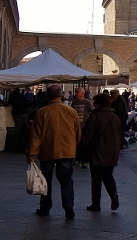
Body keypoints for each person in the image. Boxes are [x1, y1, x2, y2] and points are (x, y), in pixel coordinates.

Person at [26, 85, 82, 220]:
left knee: (46, 180)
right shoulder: (71, 111)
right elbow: (78, 133)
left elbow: (36, 135)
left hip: (47, 151)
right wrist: (73, 146)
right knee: (66, 179)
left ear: (48, 96)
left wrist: (31, 153)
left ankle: (45, 207)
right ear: (61, 95)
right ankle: (68, 204)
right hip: (67, 151)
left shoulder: (42, 112)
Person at [78, 93, 121, 212]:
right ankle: (114, 195)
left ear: (99, 103)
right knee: (108, 176)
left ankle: (96, 204)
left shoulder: (95, 117)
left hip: (97, 151)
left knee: (96, 179)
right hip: (112, 152)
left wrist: (81, 149)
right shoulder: (115, 117)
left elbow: (87, 136)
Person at [71, 87, 93, 168]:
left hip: (84, 126)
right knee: (77, 143)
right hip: (76, 126)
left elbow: (92, 111)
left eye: (77, 92)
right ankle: (78, 158)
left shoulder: (87, 102)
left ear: (82, 93)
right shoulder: (74, 103)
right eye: (75, 92)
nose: (75, 93)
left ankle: (84, 159)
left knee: (84, 143)